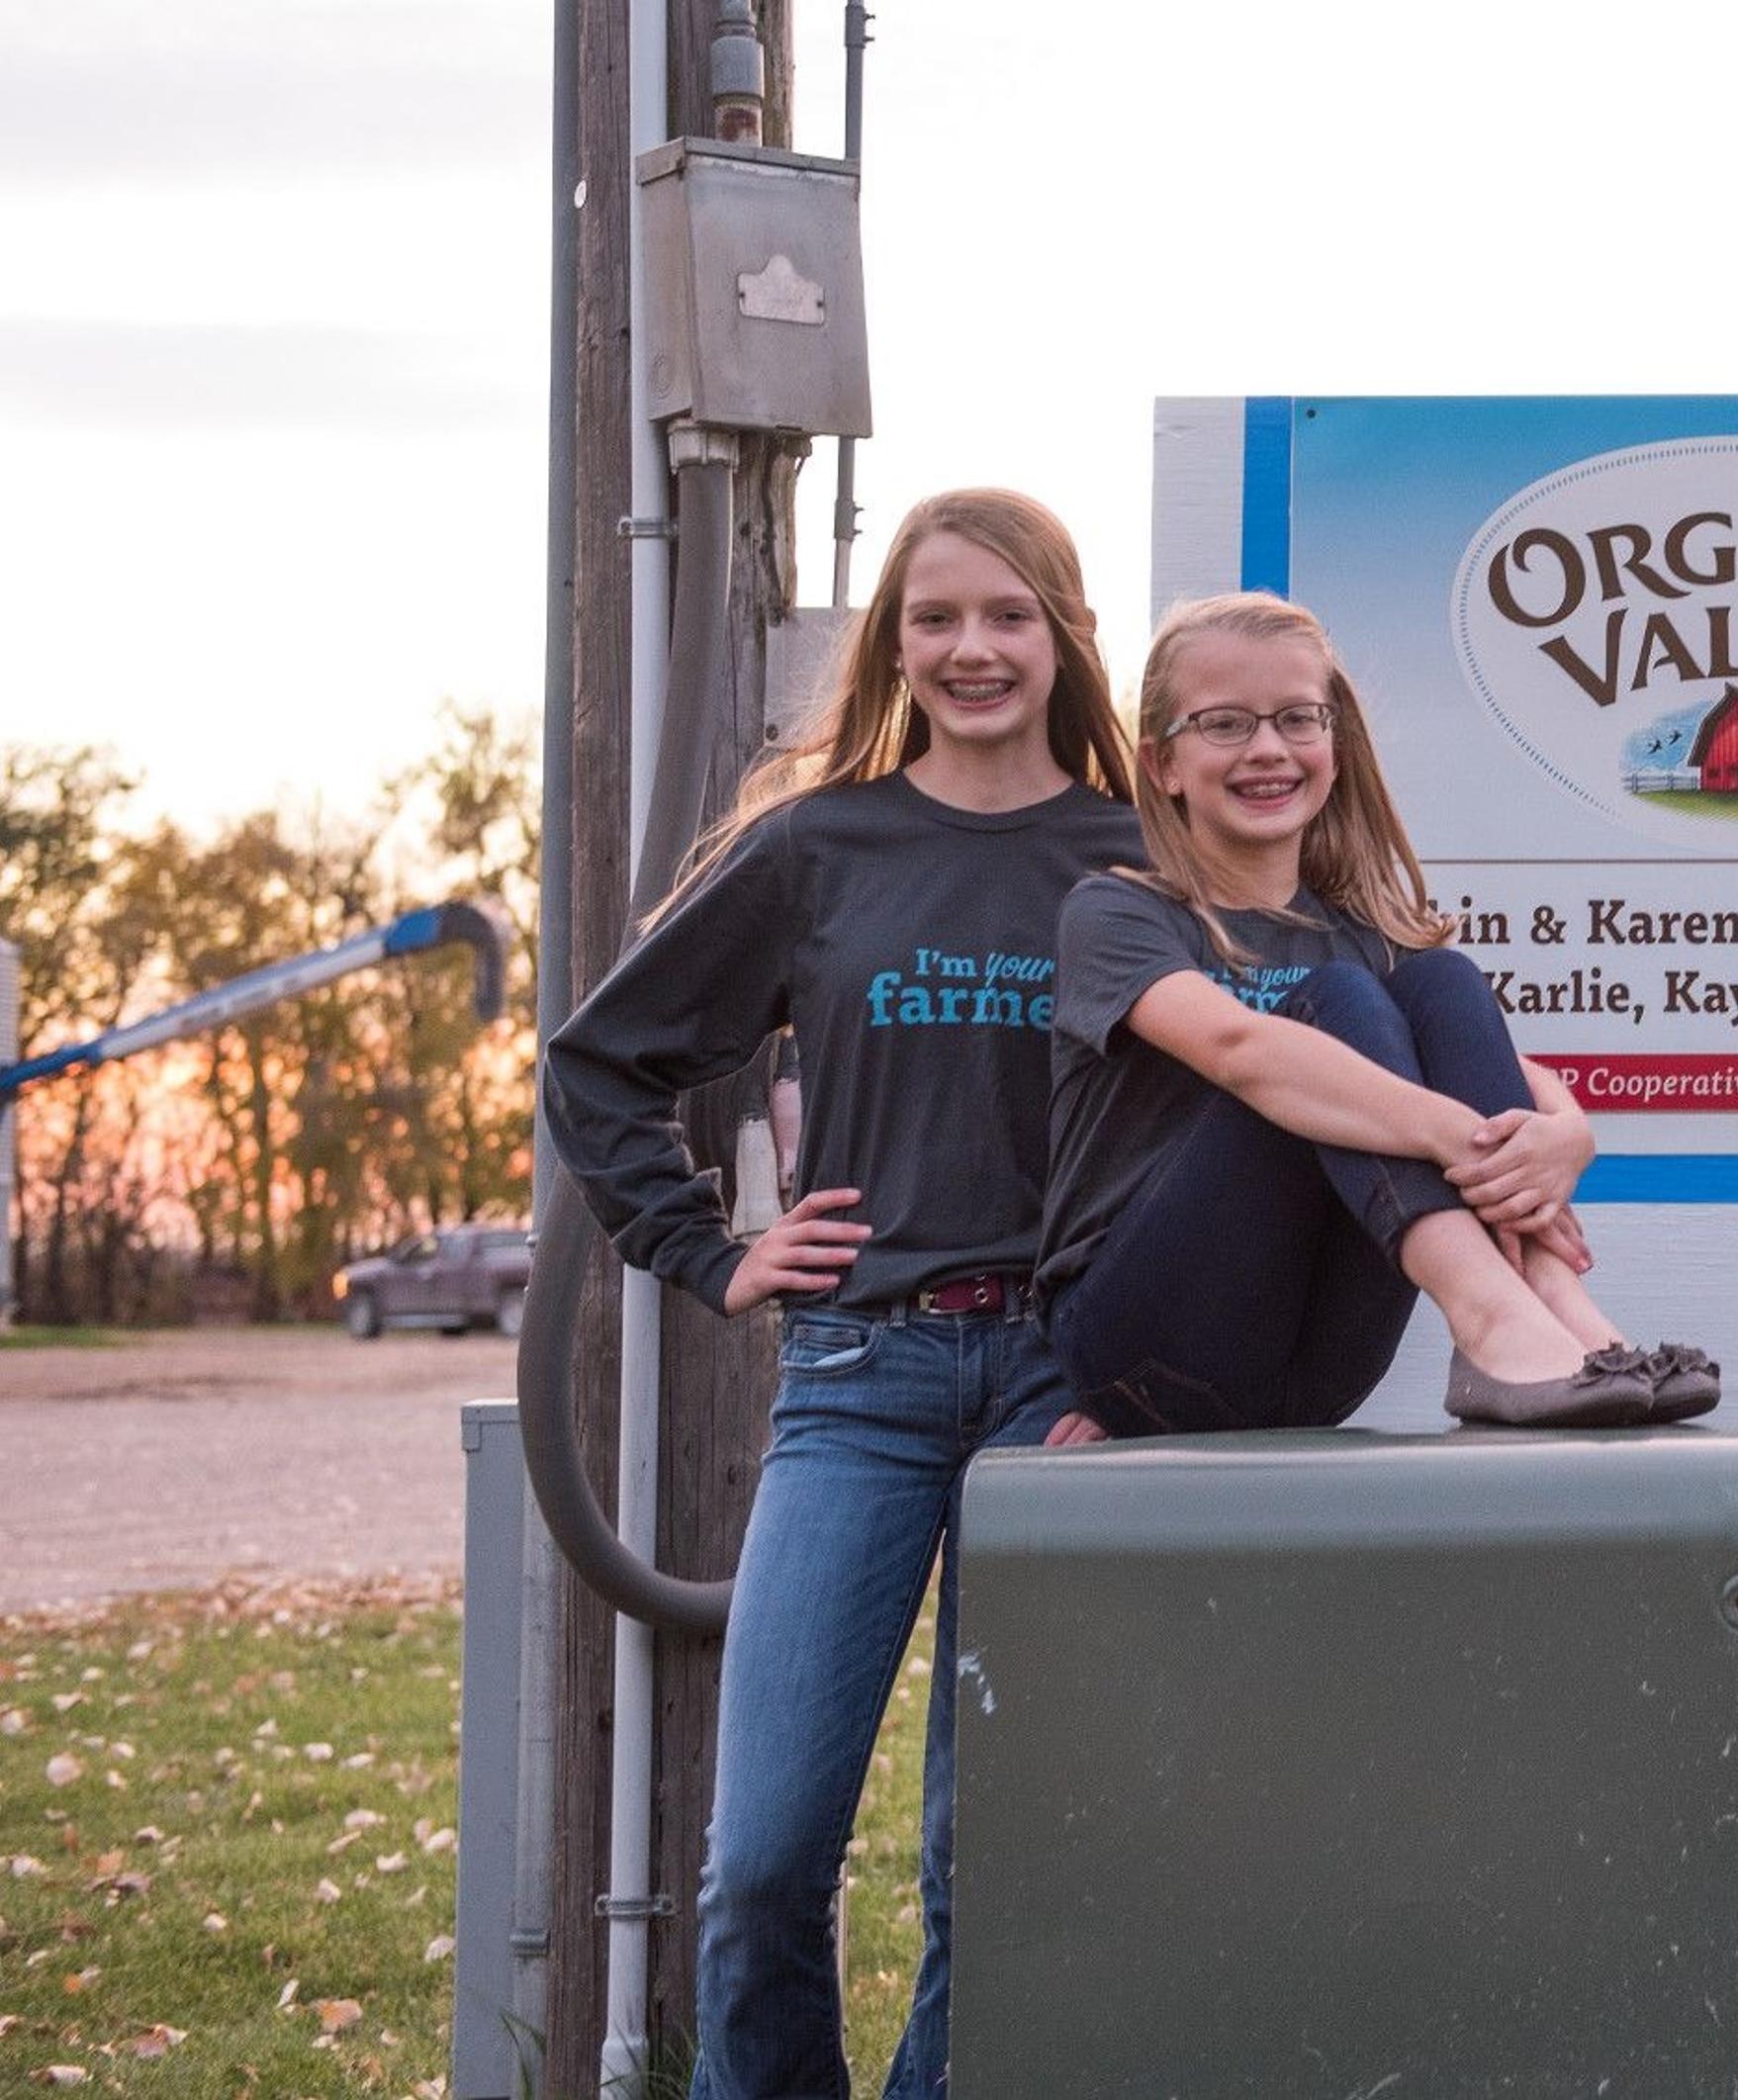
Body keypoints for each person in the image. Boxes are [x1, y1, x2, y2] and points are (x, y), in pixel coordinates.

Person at [542, 488, 1143, 2099]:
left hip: (1068, 1395)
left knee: (989, 1865)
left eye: (1008, 613)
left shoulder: (1138, 854)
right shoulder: (819, 846)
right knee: (761, 1863)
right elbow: (602, 1062)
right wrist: (708, 1249)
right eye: (936, 616)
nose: (972, 647)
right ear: (893, 640)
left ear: (1065, 636)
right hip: (860, 1381)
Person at [1034, 590, 1717, 1440]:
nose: (1268, 748)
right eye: (1225, 724)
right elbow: (1239, 1046)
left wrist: (1567, 1134)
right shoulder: (1116, 913)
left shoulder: (1366, 936)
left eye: (1297, 719)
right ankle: (1489, 1314)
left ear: (1335, 746)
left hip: (1320, 1360)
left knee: (1441, 980)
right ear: (1163, 763)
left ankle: (1552, 1296)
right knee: (1341, 1006)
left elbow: (1516, 1075)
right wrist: (1455, 1136)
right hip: (1145, 1339)